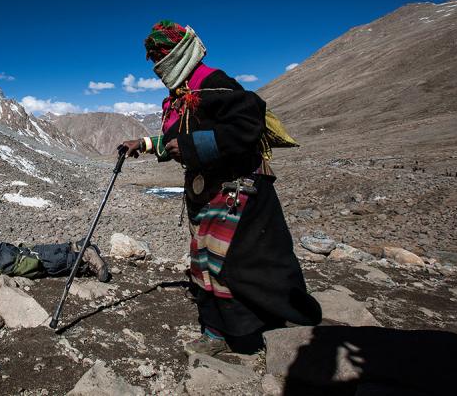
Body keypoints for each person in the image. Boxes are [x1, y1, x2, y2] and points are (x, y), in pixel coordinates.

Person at [121, 20, 320, 355]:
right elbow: (176, 139)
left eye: (161, 56)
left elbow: (247, 126)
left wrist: (191, 146)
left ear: (179, 53)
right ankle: (215, 331)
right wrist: (144, 143)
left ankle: (254, 331)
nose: (157, 67)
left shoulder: (214, 83)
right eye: (153, 59)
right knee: (203, 260)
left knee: (233, 263)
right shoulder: (179, 96)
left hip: (239, 189)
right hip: (207, 192)